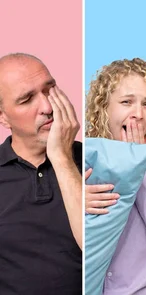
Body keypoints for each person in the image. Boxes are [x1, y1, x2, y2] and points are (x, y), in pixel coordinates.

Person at [85, 58, 146, 294]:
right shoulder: (80, 160)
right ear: (104, 108)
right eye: (126, 102)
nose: (138, 114)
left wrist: (138, 167)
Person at [0, 53, 82, 294]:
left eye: (50, 89)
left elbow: (103, 252)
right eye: (26, 100)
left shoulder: (96, 160)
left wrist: (62, 158)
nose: (47, 107)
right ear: (3, 117)